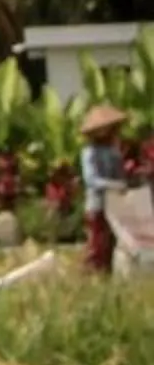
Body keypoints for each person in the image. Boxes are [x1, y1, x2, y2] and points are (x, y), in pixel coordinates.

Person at [80, 104, 131, 276]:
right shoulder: (89, 153)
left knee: (111, 241)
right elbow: (91, 180)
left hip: (114, 203)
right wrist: (115, 185)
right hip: (97, 204)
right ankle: (92, 275)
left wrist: (125, 183)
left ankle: (106, 274)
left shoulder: (113, 151)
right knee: (96, 243)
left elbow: (120, 174)